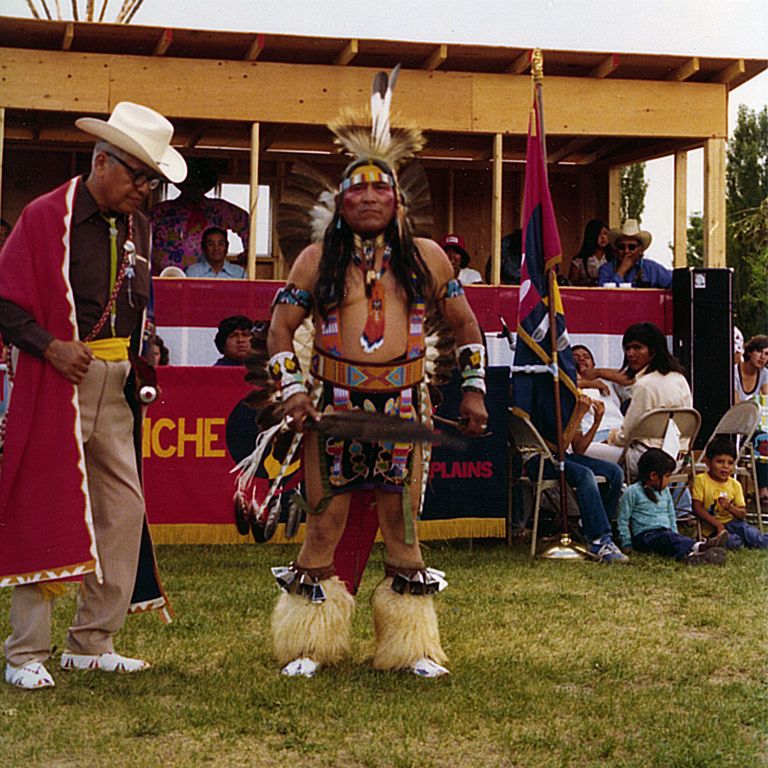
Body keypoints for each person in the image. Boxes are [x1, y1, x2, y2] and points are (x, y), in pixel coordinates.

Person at [260, 70, 487, 679]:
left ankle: (410, 648)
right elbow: (279, 330)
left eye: (378, 189)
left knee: (402, 522)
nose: (366, 197)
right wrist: (291, 391)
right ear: (339, 202)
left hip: (402, 410)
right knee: (325, 520)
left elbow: (467, 327)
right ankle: (308, 645)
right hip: (333, 404)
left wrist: (473, 389)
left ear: (398, 200)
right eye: (354, 190)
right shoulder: (315, 259)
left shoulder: (428, 258)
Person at [0, 101, 185, 690]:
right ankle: (25, 651)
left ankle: (91, 641)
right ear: (103, 161)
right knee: (45, 502)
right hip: (57, 381)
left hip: (115, 385)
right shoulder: (43, 216)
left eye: (152, 180)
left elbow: (137, 301)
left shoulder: (140, 228)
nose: (145, 190)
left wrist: (144, 345)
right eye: (139, 176)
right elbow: (3, 301)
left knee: (124, 510)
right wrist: (49, 345)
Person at [607, 322, 692, 478]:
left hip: (645, 462)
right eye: (627, 348)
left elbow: (625, 436)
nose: (630, 354)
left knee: (584, 452)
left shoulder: (644, 385)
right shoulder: (680, 379)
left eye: (637, 347)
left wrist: (610, 437)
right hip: (677, 462)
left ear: (653, 351)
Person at [618, 449, 728, 564]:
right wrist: (626, 543)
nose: (668, 480)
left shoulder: (664, 492)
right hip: (645, 536)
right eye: (667, 476)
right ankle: (701, 548)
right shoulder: (633, 491)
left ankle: (696, 553)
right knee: (667, 539)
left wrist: (675, 533)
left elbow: (671, 514)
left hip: (665, 532)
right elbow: (623, 519)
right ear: (653, 476)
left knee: (672, 539)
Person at [150, 157, 249, 272]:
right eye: (189, 183)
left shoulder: (220, 209)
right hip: (166, 276)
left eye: (198, 183)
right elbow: (140, 236)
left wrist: (248, 253)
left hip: (206, 276)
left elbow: (246, 223)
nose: (193, 188)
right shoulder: (160, 211)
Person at [692, 436, 768, 550]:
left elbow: (742, 514)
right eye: (720, 462)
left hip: (733, 522)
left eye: (730, 463)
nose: (725, 467)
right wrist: (718, 524)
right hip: (710, 528)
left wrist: (730, 508)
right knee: (733, 543)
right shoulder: (701, 480)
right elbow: (697, 508)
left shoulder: (735, 484)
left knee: (754, 536)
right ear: (708, 462)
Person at [733, 334, 768, 508]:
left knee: (763, 438)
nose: (763, 357)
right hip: (736, 423)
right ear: (749, 352)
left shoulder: (765, 374)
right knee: (763, 440)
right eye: (759, 352)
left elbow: (765, 400)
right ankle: (763, 490)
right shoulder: (734, 371)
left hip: (757, 424)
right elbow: (736, 403)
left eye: (767, 354)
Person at [597, 219, 672, 288]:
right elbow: (605, 296)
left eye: (631, 247)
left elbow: (674, 282)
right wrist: (620, 272)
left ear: (640, 250)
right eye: (621, 247)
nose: (626, 251)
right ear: (616, 249)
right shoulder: (606, 270)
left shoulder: (652, 268)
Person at [569, 219, 612, 286]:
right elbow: (572, 283)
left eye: (605, 234)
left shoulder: (612, 257)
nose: (603, 237)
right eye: (598, 234)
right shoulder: (579, 260)